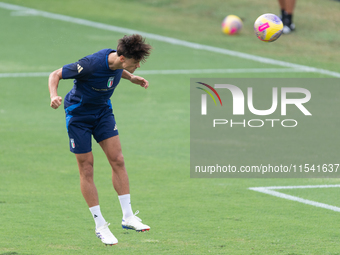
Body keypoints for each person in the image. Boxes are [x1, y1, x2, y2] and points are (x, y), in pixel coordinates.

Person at [48, 34, 152, 246]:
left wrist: (131, 78)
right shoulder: (90, 65)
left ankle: (128, 216)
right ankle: (100, 225)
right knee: (87, 168)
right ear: (123, 58)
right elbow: (55, 74)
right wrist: (53, 95)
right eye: (136, 62)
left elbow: (115, 70)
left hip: (103, 112)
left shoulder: (116, 61)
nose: (139, 65)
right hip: (79, 117)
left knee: (118, 159)